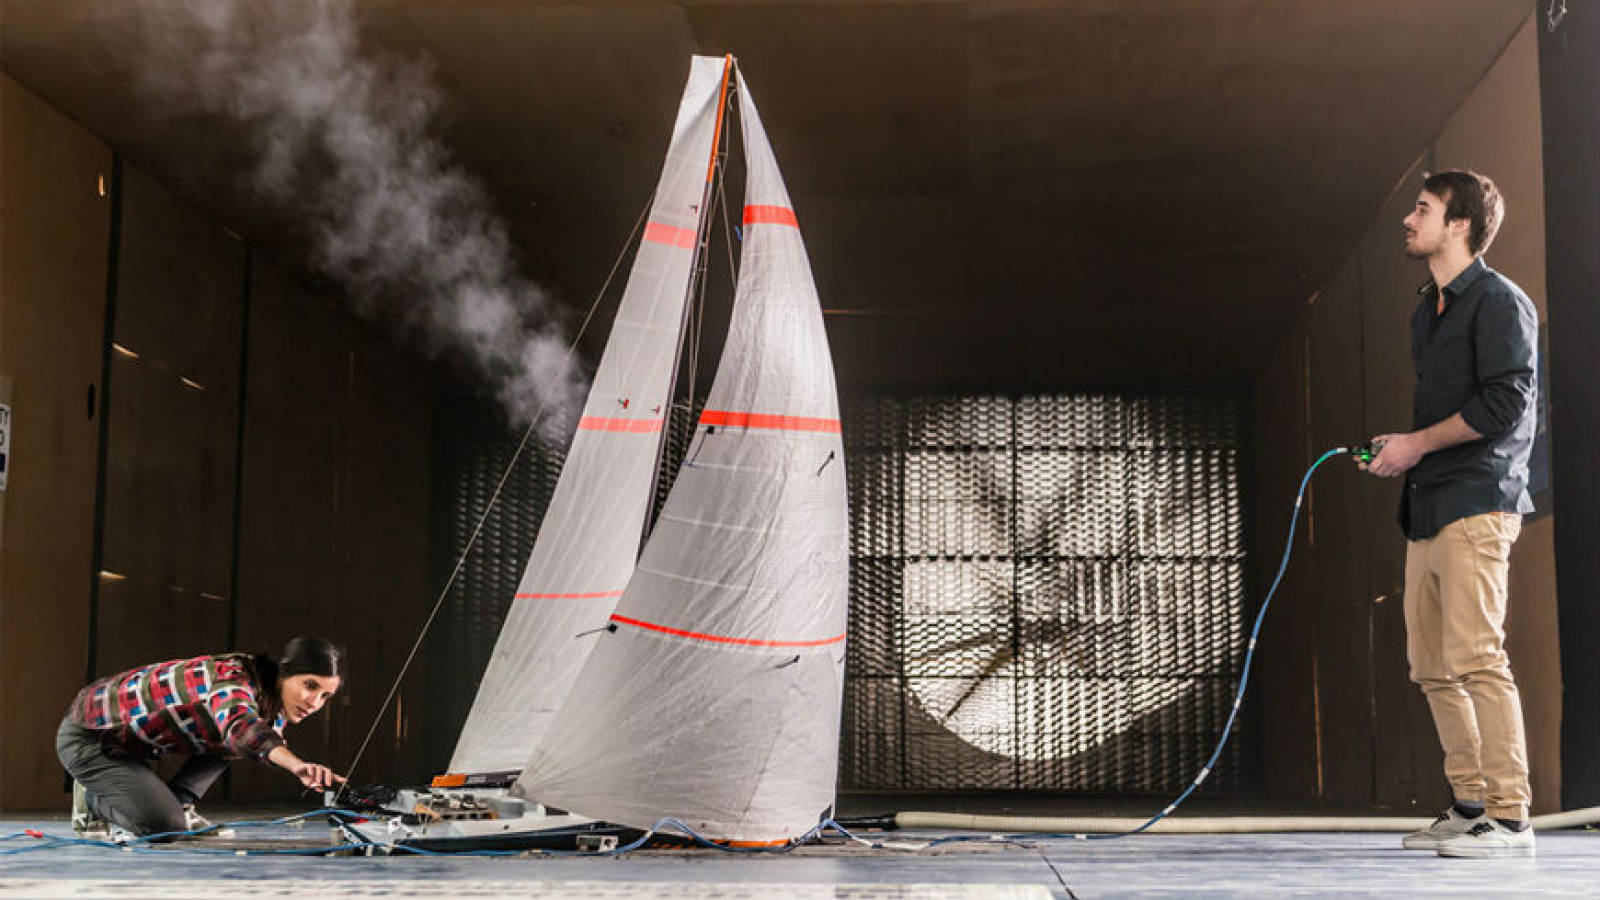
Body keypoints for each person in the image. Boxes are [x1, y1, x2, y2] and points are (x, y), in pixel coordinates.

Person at [1362, 169, 1538, 859]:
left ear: (1459, 224)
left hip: (1477, 501)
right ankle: (1470, 805)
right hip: (1430, 505)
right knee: (1431, 665)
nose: (1410, 219)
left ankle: (1512, 817)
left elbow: (1504, 406)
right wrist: (1402, 450)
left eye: (1423, 208)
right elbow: (1441, 416)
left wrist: (1417, 445)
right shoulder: (1426, 309)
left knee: (1477, 658)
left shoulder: (1498, 302)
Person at [56, 636, 347, 840]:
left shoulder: (271, 703)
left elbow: (258, 737)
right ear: (284, 673)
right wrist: (296, 765)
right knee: (164, 827)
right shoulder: (234, 679)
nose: (314, 703)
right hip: (91, 736)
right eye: (310, 686)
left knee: (240, 744)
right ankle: (94, 801)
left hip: (133, 748)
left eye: (325, 696)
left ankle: (181, 803)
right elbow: (243, 729)